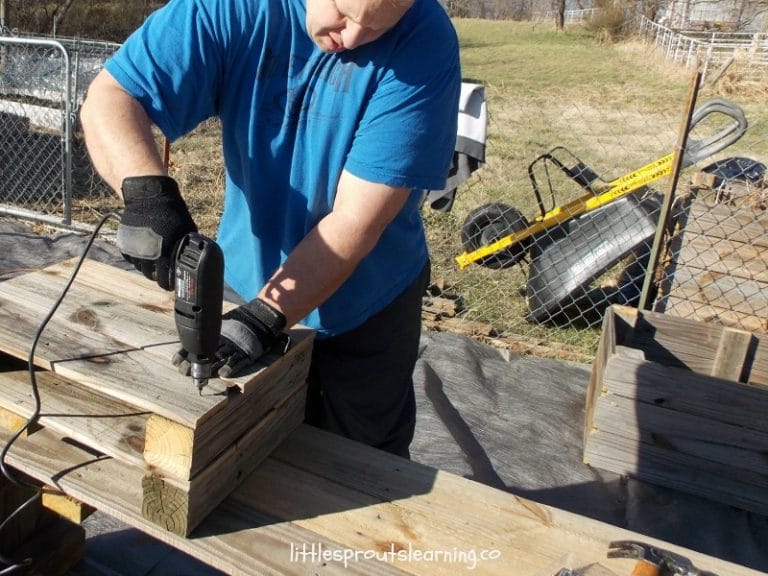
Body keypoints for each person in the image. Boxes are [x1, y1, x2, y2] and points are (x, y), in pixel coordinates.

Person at [79, 0, 461, 458]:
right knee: (244, 449)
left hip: (369, 298)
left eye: (378, 25)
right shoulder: (234, 9)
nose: (355, 37)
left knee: (366, 465)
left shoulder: (426, 40)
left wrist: (265, 316)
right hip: (250, 273)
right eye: (345, 12)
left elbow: (356, 222)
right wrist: (147, 197)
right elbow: (111, 97)